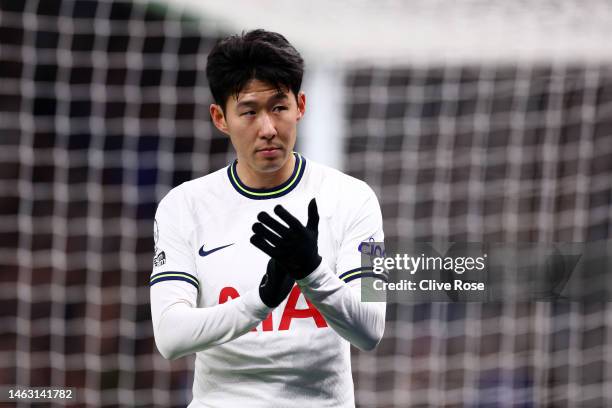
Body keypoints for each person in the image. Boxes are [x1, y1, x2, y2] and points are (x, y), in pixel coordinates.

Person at [149, 29, 386, 407]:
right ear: (220, 117)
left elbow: (371, 329)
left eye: (279, 107)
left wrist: (312, 271)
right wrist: (261, 300)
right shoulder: (182, 206)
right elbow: (169, 336)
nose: (268, 129)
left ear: (301, 106)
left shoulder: (356, 199)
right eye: (249, 112)